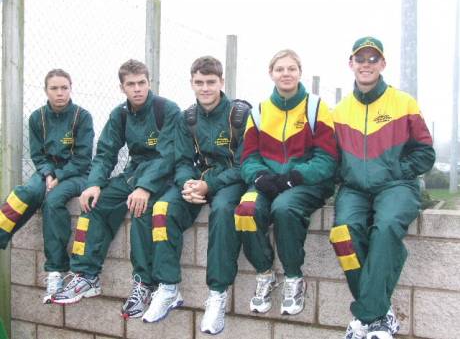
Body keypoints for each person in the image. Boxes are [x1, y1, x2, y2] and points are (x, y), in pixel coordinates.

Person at [51, 60, 180, 320]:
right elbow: (106, 152)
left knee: (142, 209)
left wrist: (145, 187)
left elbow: (169, 155)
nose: (137, 89)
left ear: (149, 82)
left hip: (164, 175)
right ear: (122, 87)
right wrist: (94, 183)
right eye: (130, 84)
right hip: (135, 173)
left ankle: (144, 284)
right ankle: (86, 275)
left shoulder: (166, 109)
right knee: (93, 204)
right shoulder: (120, 114)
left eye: (141, 83)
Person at [331, 37, 435, 339]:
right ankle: (381, 315)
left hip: (397, 186)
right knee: (343, 234)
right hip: (353, 189)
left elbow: (425, 153)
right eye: (360, 59)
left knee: (386, 227)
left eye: (372, 59)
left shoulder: (404, 103)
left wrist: (397, 170)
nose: (366, 64)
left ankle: (365, 316)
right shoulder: (338, 111)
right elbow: (331, 158)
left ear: (383, 64)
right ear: (351, 64)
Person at [141, 56, 250, 335]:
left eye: (210, 82)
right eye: (199, 82)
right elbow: (180, 160)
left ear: (222, 82)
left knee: (224, 211)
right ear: (191, 83)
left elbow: (244, 165)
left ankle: (217, 294)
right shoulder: (186, 117)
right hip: (196, 182)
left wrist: (209, 185)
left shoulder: (239, 114)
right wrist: (187, 184)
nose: (205, 88)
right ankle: (168, 288)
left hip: (230, 181)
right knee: (163, 209)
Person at [234, 49, 338, 316]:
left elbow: (327, 158)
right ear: (271, 74)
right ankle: (265, 273)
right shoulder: (258, 111)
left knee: (283, 208)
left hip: (306, 182)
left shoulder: (316, 107)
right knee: (246, 209)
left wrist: (294, 177)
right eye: (280, 69)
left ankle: (293, 277)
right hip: (268, 181)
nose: (286, 74)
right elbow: (248, 157)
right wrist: (258, 177)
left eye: (291, 68)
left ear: (300, 72)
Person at [0, 69, 94, 303]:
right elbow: (37, 155)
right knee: (27, 192)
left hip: (77, 173)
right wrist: (48, 173)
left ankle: (55, 271)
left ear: (71, 88)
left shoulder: (82, 117)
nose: (60, 93)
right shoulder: (36, 117)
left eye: (64, 87)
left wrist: (59, 176)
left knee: (52, 201)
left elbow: (83, 158)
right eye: (54, 88)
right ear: (46, 91)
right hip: (47, 171)